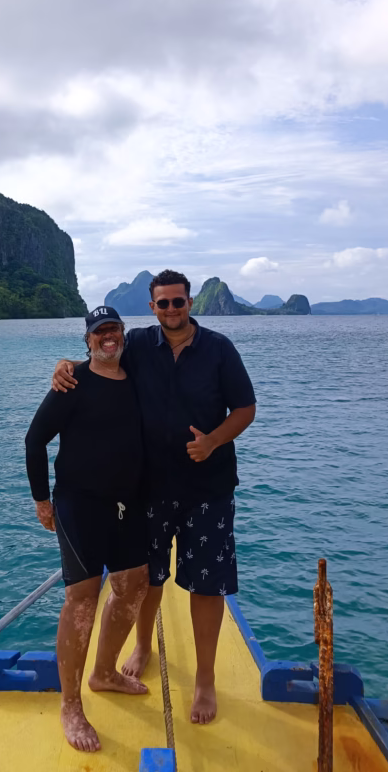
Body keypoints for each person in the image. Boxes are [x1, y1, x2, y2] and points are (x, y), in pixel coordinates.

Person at [52, 270, 256, 725]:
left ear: (190, 302)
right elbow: (99, 358)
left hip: (208, 490)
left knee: (207, 585)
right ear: (152, 308)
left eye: (178, 301)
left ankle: (205, 679)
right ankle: (143, 645)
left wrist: (213, 441)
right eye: (163, 303)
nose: (171, 310)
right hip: (150, 489)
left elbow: (246, 408)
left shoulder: (219, 349)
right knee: (148, 578)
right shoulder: (140, 344)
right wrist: (65, 364)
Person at [25, 305, 149, 754]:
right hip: (79, 504)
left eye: (114, 329)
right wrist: (42, 500)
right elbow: (35, 439)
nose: (108, 337)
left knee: (134, 585)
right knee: (82, 598)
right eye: (100, 332)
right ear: (88, 340)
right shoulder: (72, 382)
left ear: (123, 334)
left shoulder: (137, 374)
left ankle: (105, 672)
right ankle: (71, 705)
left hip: (128, 503)